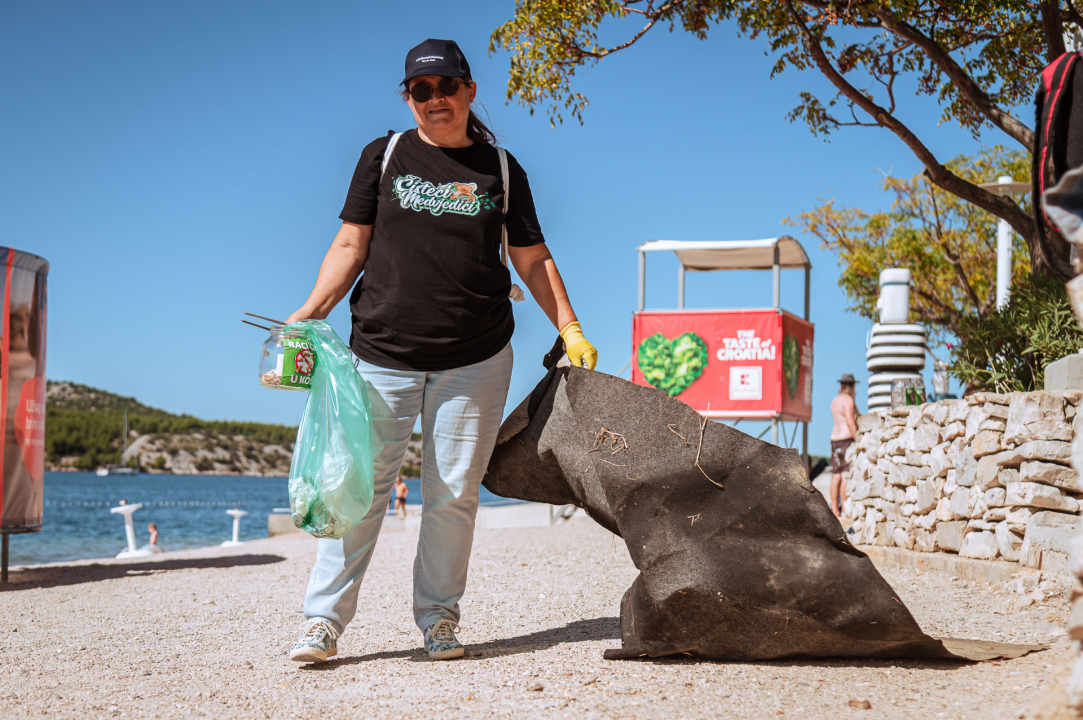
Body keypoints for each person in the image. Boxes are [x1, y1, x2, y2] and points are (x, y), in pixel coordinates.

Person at [285, 38, 597, 664]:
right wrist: (309, 313)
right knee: (359, 491)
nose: (435, 99)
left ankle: (439, 620)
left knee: (453, 494)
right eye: (421, 90)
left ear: (469, 89)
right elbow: (350, 244)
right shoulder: (385, 156)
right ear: (408, 97)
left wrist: (569, 326)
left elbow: (531, 257)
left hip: (476, 357)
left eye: (447, 86)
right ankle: (322, 622)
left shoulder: (501, 169)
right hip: (381, 353)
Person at [829, 373, 860, 517]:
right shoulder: (848, 400)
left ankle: (835, 510)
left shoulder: (835, 401)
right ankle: (845, 509)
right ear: (852, 387)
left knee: (836, 476)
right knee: (845, 475)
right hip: (846, 439)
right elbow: (850, 421)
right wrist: (858, 439)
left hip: (834, 440)